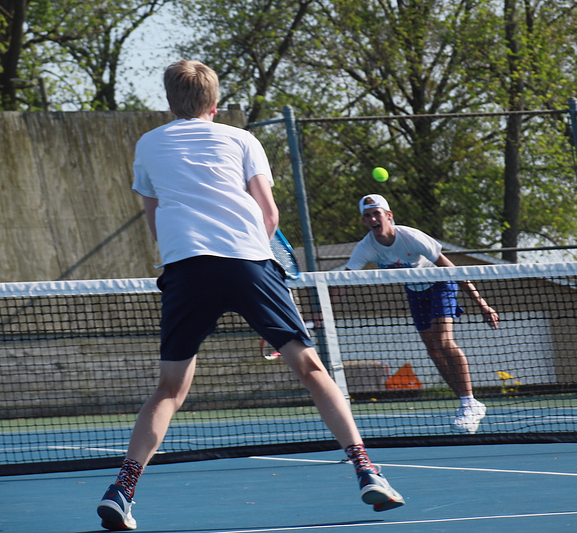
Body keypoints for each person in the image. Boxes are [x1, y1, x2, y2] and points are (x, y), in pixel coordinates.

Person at [95, 60, 404, 532]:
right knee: (311, 369)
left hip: (185, 268)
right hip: (248, 264)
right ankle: (367, 471)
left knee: (169, 389)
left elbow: (154, 220)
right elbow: (270, 215)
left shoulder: (149, 143)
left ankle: (121, 491)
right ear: (215, 104)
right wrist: (262, 275)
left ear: (170, 102)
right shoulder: (242, 139)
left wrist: (186, 254)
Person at [345, 194, 500, 435]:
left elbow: (451, 268)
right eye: (368, 215)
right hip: (415, 291)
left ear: (389, 215)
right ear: (364, 221)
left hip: (440, 283)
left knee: (443, 341)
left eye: (377, 213)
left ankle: (469, 402)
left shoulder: (412, 237)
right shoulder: (365, 247)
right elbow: (342, 280)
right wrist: (321, 311)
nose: (373, 218)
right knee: (433, 349)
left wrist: (482, 304)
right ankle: (467, 403)